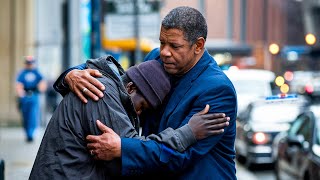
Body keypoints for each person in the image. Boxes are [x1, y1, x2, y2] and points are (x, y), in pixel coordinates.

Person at [54, 6, 237, 179]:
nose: (164, 52)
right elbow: (116, 79)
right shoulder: (157, 59)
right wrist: (72, 74)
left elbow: (179, 156)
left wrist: (123, 148)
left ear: (198, 45)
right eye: (162, 42)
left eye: (174, 46)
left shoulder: (218, 90)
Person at [30, 56, 230, 179]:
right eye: (142, 106)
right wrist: (188, 132)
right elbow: (129, 159)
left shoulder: (112, 86)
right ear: (131, 87)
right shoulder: (102, 93)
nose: (140, 114)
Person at [15, 56, 47, 142]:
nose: (29, 64)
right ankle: (27, 132)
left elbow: (42, 82)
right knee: (25, 115)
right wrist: (20, 94)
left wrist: (40, 89)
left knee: (33, 115)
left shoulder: (37, 72)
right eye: (28, 63)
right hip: (24, 96)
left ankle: (31, 133)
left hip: (34, 95)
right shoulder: (22, 73)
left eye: (31, 63)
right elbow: (19, 84)